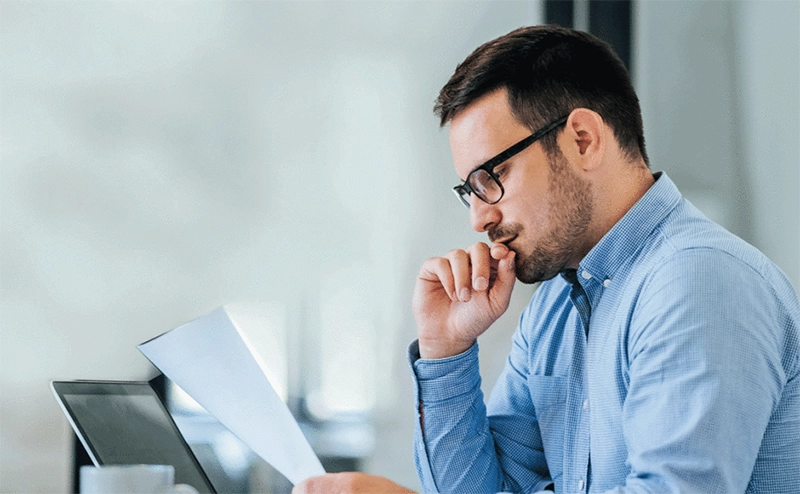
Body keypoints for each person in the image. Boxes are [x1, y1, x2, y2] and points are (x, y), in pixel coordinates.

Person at [295, 25, 800, 493]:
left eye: (492, 178)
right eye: (468, 191)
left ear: (583, 140)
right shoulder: (556, 306)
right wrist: (445, 347)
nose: (478, 219)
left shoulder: (698, 280)